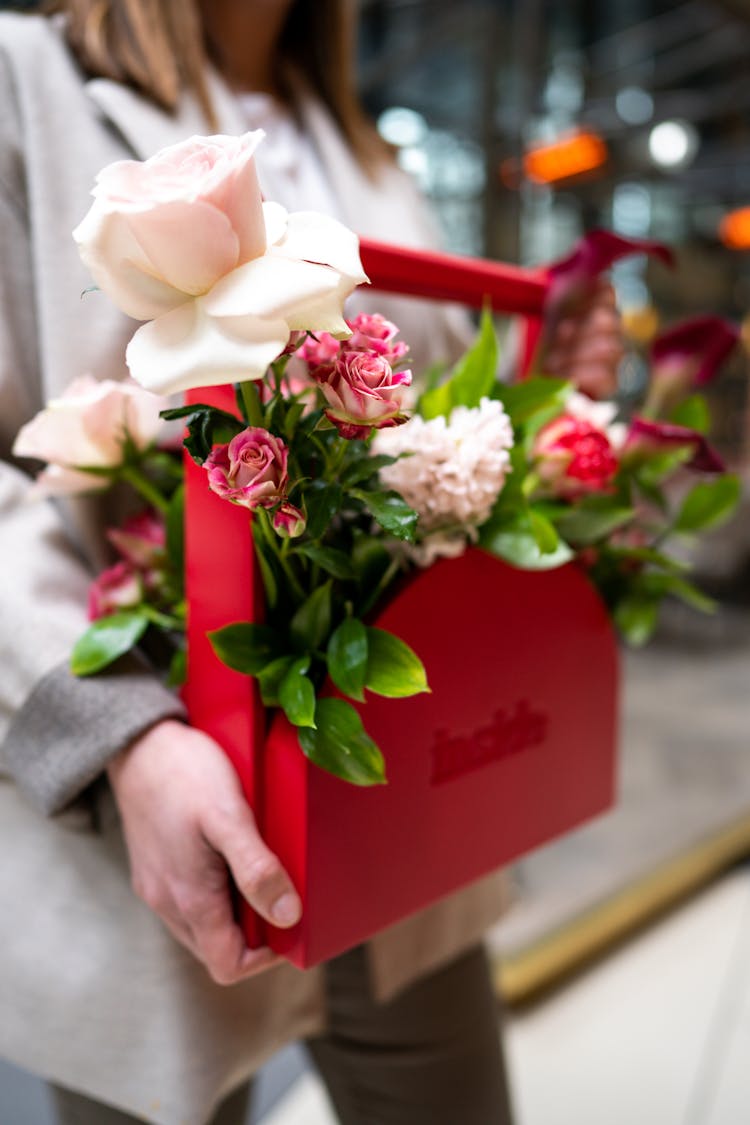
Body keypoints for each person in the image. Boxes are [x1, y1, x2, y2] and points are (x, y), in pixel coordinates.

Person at [0, 2, 623, 1123]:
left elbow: (419, 415)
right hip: (147, 823)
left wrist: (551, 368)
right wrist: (120, 739)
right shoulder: (21, 81)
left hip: (401, 804)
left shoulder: (361, 138)